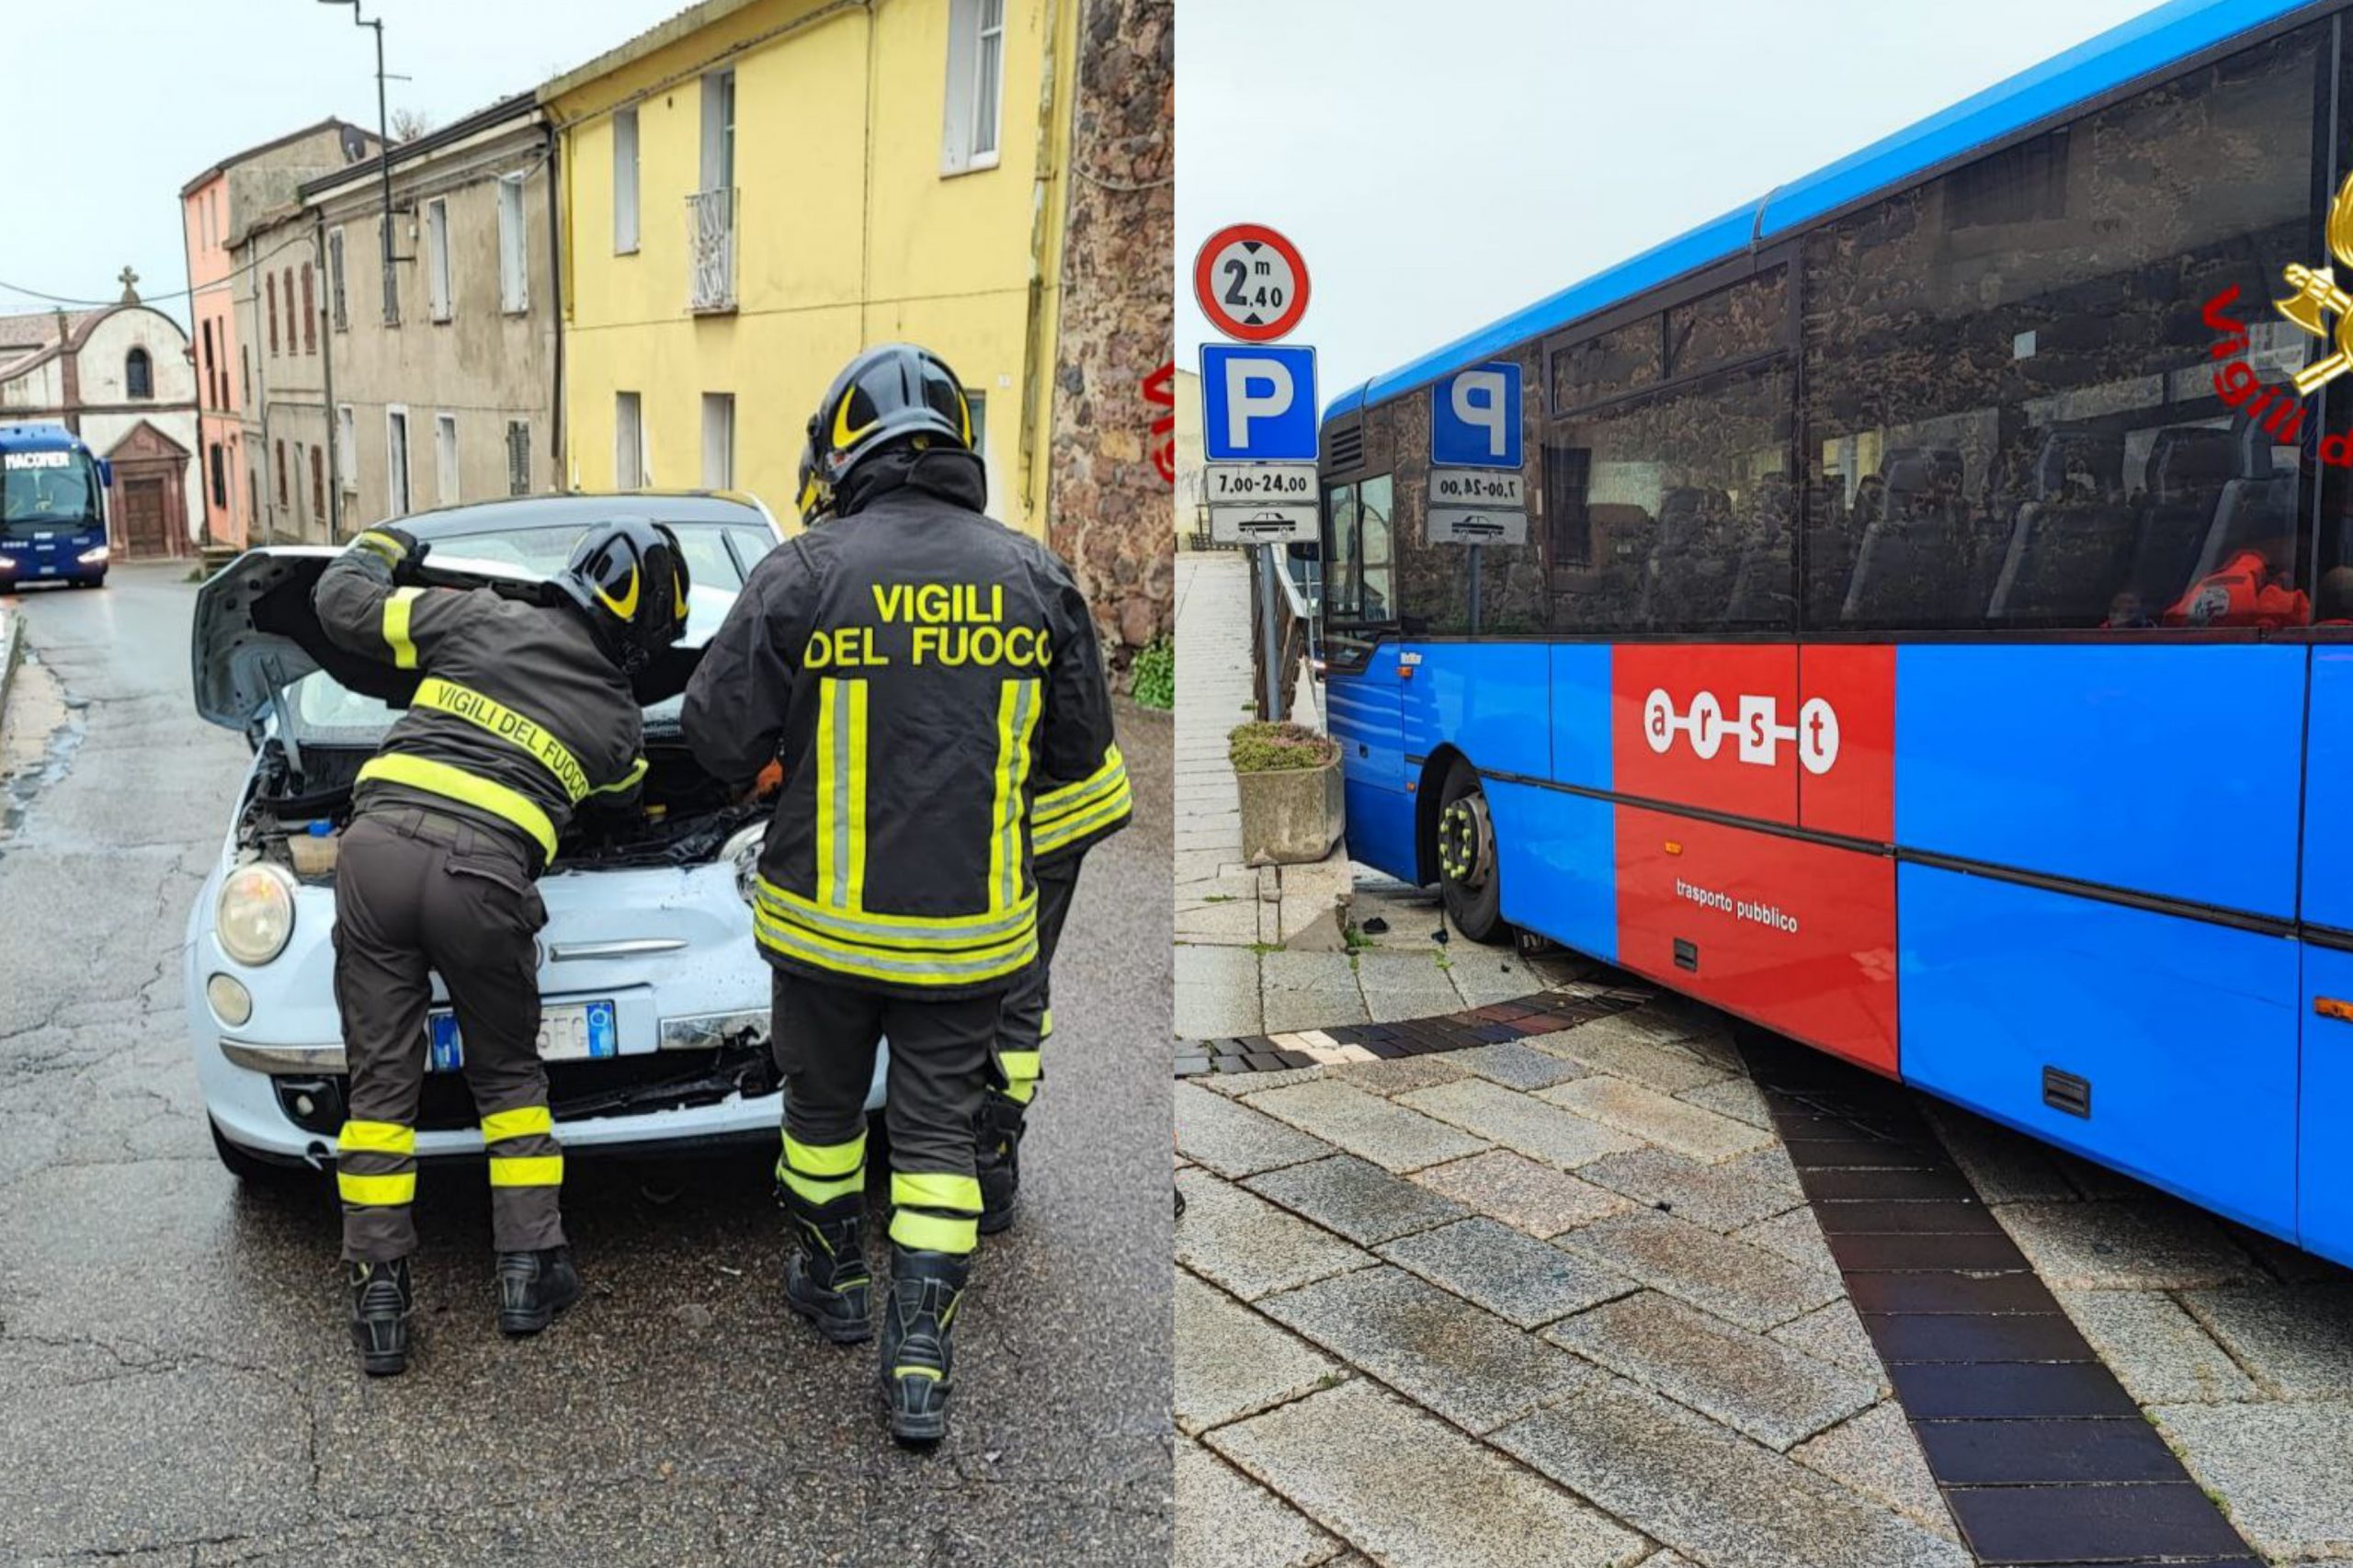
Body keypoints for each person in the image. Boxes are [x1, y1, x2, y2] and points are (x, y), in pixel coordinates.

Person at [682, 343, 1119, 1446]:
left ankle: (831, 1284)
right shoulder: (1036, 574)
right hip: (968, 942)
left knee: (823, 1118)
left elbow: (715, 733)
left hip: (821, 936)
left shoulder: (804, 570)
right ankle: (919, 1358)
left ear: (841, 449)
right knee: (933, 1139)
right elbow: (1080, 767)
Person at [313, 517, 690, 1376]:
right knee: (510, 1080)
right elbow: (626, 799)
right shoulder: (617, 717)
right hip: (480, 882)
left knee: (381, 1086)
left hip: (370, 856)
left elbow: (340, 602)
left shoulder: (474, 616)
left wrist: (383, 544)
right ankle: (528, 1272)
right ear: (641, 635)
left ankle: (380, 1296)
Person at [977, 711, 1132, 1233]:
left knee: (1012, 979)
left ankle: (990, 1150)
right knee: (1020, 979)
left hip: (1040, 815)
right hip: (1040, 809)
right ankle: (992, 1149)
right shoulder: (1058, 622)